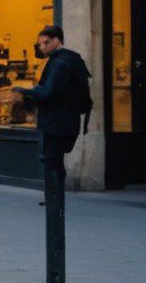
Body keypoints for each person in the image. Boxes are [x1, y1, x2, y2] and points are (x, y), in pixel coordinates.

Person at [9, 25, 93, 197]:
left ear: (57, 41)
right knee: (56, 162)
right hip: (68, 121)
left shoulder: (59, 64)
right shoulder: (72, 60)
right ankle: (56, 200)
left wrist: (24, 91)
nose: (42, 47)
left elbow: (48, 91)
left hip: (55, 123)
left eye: (46, 43)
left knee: (51, 162)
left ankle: (54, 203)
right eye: (40, 44)